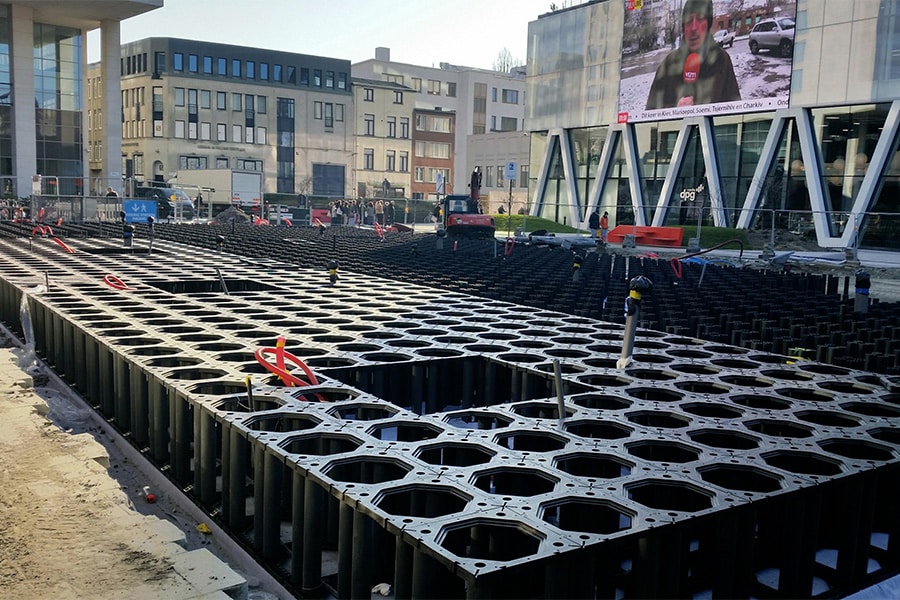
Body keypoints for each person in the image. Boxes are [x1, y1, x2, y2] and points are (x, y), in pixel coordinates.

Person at [645, 0, 740, 110]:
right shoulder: (668, 65)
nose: (693, 28)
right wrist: (674, 112)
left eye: (700, 19)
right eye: (689, 20)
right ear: (684, 26)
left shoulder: (722, 60)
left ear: (708, 24)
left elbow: (735, 112)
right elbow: (650, 117)